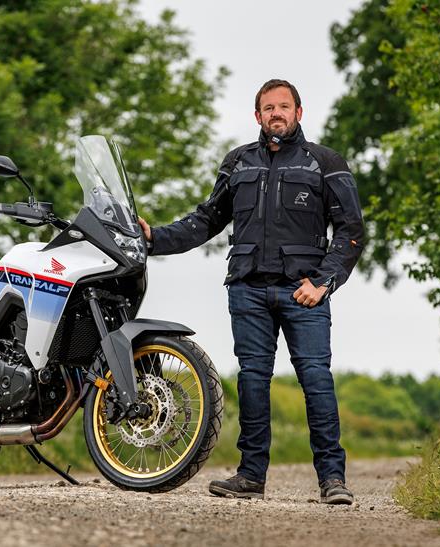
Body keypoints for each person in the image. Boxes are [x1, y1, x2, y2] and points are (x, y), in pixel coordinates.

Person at [138, 79, 364, 504]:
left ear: (299, 112)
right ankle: (250, 477)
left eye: (284, 106)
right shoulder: (238, 163)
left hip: (304, 294)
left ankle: (333, 480)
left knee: (316, 382)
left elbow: (351, 231)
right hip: (247, 291)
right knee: (253, 383)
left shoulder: (326, 162)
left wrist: (324, 283)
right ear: (257, 116)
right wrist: (154, 239)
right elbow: (206, 220)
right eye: (268, 108)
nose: (276, 113)